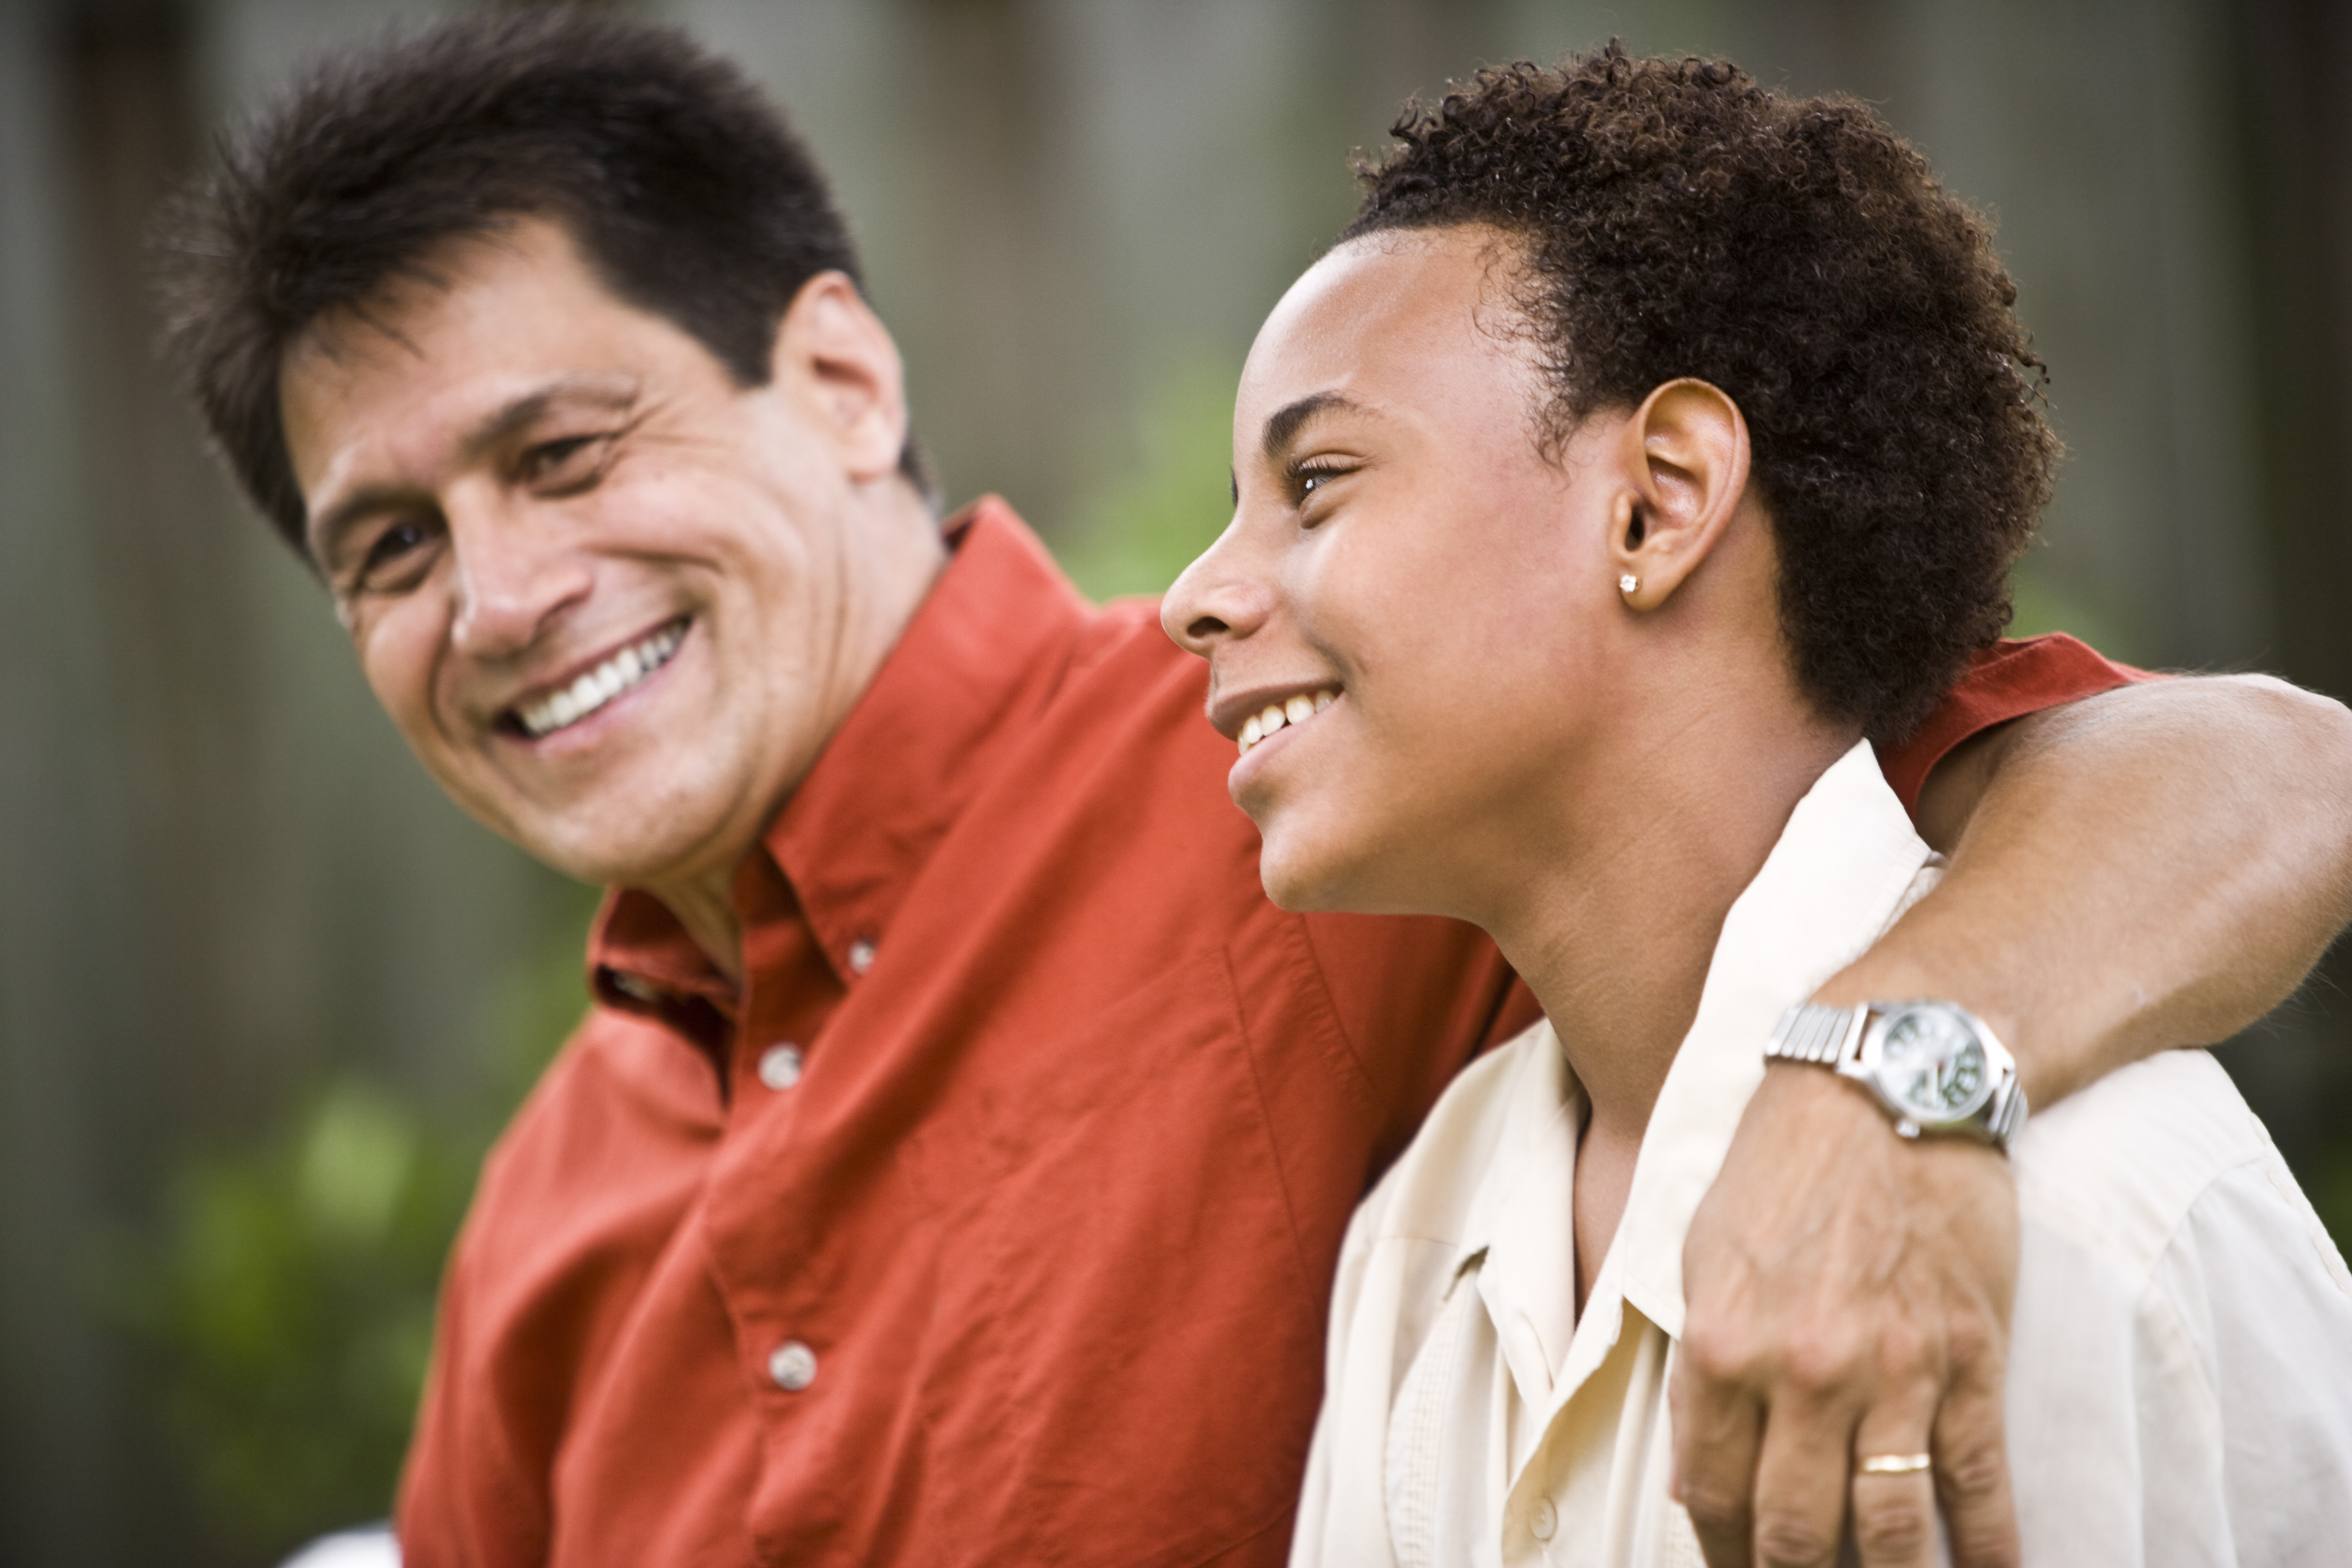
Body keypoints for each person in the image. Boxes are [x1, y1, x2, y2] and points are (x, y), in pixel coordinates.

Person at [154, 12, 2352, 1567]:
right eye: (395, 549)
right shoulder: (542, 1224)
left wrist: (1885, 1088)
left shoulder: (1310, 788)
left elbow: (2257, 774)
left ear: (835, 378)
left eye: (564, 454)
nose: (509, 594)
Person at [1162, 49, 2352, 1568]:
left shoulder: (2059, 1232)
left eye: (1317, 481)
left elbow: (2291, 758)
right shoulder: (1424, 1238)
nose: (1194, 596)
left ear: (1658, 500)